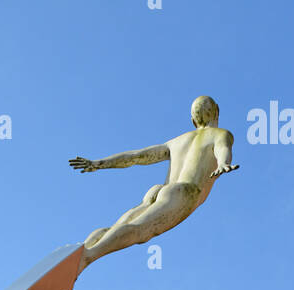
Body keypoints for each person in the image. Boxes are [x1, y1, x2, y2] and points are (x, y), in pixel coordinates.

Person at [69, 95, 238, 271]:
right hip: (184, 192)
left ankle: (84, 247)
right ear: (216, 111)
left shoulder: (176, 142)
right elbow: (222, 148)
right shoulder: (221, 134)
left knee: (118, 226)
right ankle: (87, 258)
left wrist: (99, 164)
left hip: (158, 190)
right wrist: (223, 163)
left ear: (193, 120)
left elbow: (136, 156)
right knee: (138, 230)